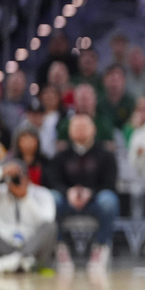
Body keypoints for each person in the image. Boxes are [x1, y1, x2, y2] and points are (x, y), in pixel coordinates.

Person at [46, 114, 119, 276]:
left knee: (109, 200)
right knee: (52, 199)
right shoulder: (60, 156)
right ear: (70, 131)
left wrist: (90, 193)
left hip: (95, 202)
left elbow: (110, 184)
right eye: (76, 127)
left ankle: (100, 247)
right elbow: (53, 181)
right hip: (68, 201)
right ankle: (60, 246)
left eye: (84, 126)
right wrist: (68, 192)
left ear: (93, 129)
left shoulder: (106, 155)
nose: (80, 130)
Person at [0, 159, 57, 273]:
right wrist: (0, 172)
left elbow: (47, 221)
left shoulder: (42, 194)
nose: (16, 180)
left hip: (31, 247)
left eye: (19, 176)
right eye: (12, 177)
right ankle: (19, 262)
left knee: (51, 226)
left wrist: (25, 198)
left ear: (27, 177)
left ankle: (14, 262)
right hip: (4, 248)